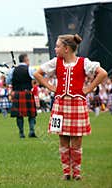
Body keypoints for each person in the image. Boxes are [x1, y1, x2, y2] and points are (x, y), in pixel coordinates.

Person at [34, 34, 107, 180]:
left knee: (77, 140)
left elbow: (102, 73)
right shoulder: (56, 62)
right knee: (62, 138)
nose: (55, 49)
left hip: (77, 104)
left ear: (66, 48)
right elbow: (37, 73)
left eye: (57, 46)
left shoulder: (83, 62)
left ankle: (77, 173)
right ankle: (66, 173)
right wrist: (50, 87)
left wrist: (88, 89)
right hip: (60, 104)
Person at [7, 53, 37, 138]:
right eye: (28, 60)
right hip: (27, 93)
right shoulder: (30, 69)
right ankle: (31, 131)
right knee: (32, 114)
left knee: (19, 115)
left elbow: (8, 81)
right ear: (26, 60)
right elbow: (36, 78)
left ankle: (21, 133)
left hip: (17, 93)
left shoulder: (13, 70)